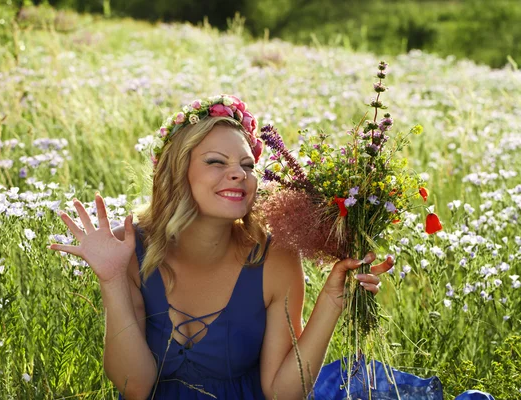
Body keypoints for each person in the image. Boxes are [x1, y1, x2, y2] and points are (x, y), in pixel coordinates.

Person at [48, 95, 393, 399]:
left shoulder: (276, 257)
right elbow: (135, 387)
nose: (239, 174)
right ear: (178, 171)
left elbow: (282, 393)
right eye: (216, 162)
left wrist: (331, 303)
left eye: (247, 165)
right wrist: (111, 281)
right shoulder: (132, 250)